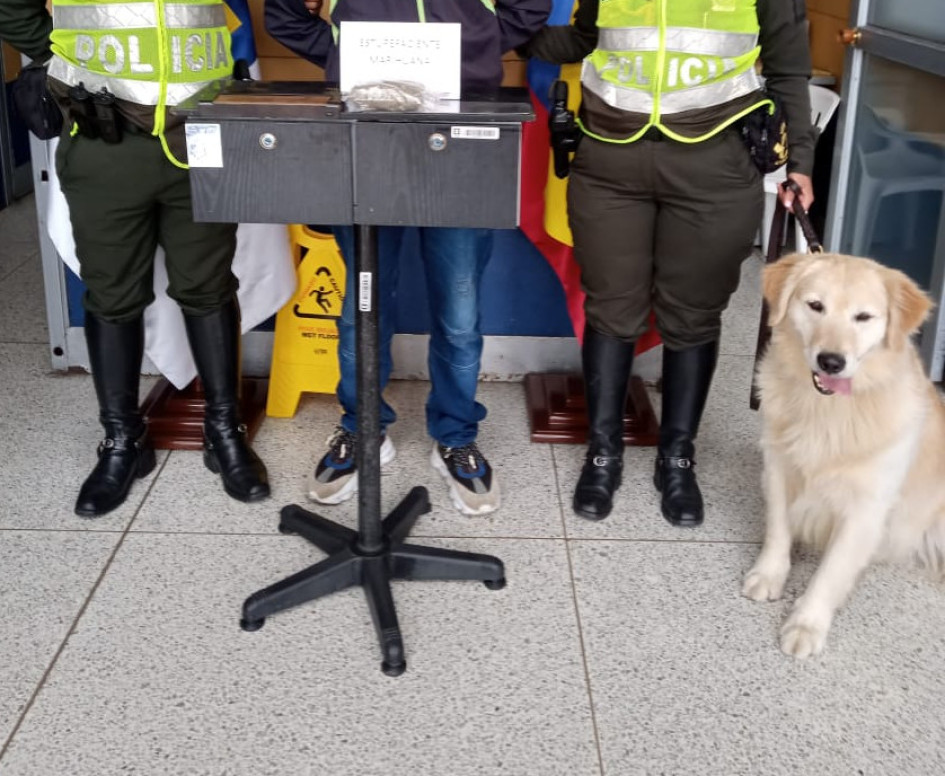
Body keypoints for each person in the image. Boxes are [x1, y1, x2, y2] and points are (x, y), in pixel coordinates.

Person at [522, 0, 815, 526]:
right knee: (611, 307)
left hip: (716, 167)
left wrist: (802, 165)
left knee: (694, 314)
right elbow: (586, 38)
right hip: (609, 163)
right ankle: (603, 452)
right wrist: (508, 28)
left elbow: (789, 69)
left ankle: (678, 458)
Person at [264, 0, 550, 516]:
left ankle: (456, 435)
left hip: (463, 129)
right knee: (361, 307)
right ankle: (364, 428)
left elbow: (530, 7)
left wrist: (467, 48)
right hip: (364, 131)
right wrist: (343, 56)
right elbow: (284, 14)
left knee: (460, 314)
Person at [0, 0, 271, 516]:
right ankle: (122, 440)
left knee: (209, 285)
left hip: (200, 135)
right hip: (105, 141)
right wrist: (64, 59)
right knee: (112, 292)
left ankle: (223, 431)